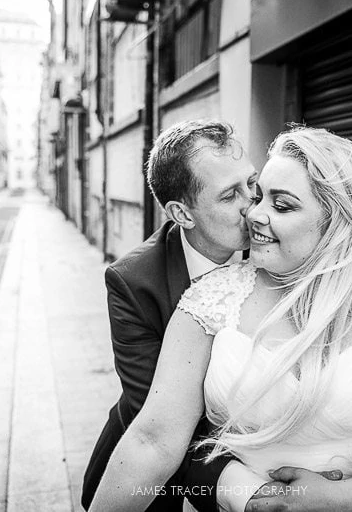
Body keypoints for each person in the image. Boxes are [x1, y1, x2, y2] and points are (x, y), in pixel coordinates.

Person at [89, 125, 352, 512]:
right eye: (247, 197)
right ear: (182, 214)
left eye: (277, 202)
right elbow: (155, 440)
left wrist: (338, 500)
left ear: (339, 221)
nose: (252, 212)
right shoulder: (201, 296)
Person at [81, 119, 258, 511]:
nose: (253, 206)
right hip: (153, 477)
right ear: (182, 213)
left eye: (253, 184)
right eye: (230, 195)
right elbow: (157, 426)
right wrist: (242, 489)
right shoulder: (133, 282)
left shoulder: (273, 247)